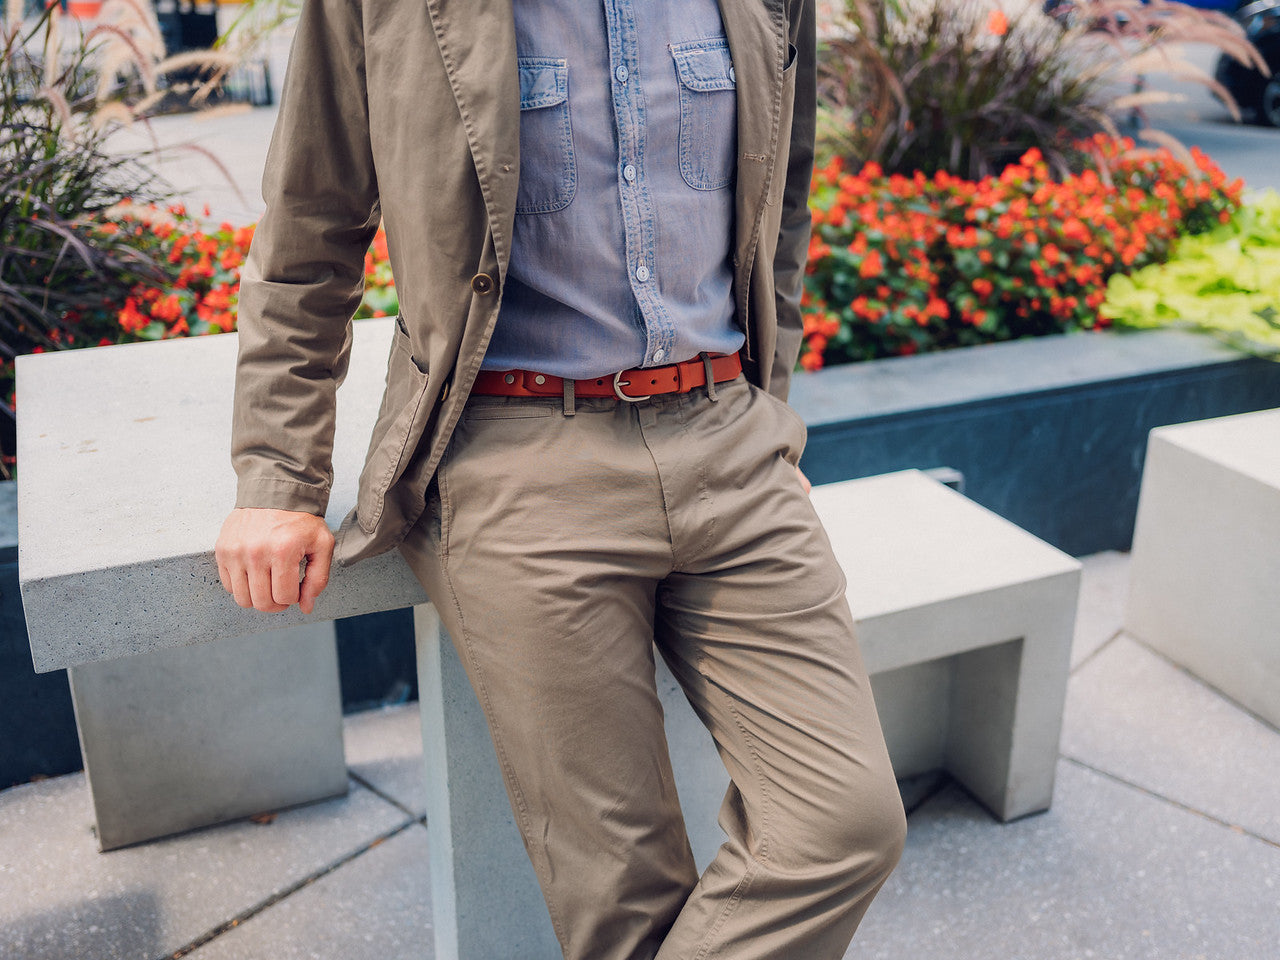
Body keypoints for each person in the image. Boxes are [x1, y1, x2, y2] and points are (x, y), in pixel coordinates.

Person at [214, 1, 906, 957]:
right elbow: (309, 226)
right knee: (622, 900)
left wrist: (765, 403)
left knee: (846, 825)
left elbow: (780, 203)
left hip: (729, 445)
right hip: (515, 456)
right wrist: (280, 477)